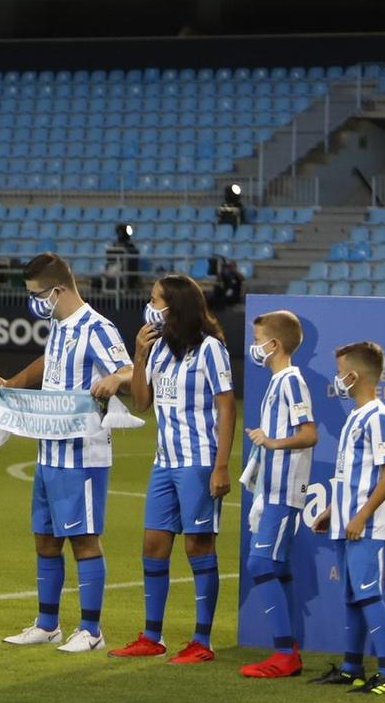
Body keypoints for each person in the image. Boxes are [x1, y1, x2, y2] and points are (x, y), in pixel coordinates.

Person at [0, 251, 130, 654]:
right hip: (49, 450)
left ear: (58, 289)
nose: (35, 301)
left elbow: (129, 370)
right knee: (46, 539)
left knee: (85, 539)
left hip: (83, 453)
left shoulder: (97, 327)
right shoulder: (59, 324)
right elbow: (47, 363)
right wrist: (13, 382)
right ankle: (47, 624)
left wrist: (115, 380)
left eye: (37, 293)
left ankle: (91, 629)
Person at [105, 274, 235, 664]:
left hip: (198, 461)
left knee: (198, 545)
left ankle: (201, 640)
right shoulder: (158, 349)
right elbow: (142, 402)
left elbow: (226, 407)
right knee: (153, 545)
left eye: (155, 300)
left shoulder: (211, 349)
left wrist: (221, 466)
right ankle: (152, 635)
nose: (150, 307)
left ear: (175, 306)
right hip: (164, 462)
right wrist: (139, 357)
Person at [308, 341, 385, 694]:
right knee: (352, 596)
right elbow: (354, 475)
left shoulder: (379, 417)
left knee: (369, 595)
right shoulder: (356, 415)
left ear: (355, 375)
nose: (337, 379)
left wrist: (361, 515)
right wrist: (334, 510)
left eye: (339, 372)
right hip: (346, 522)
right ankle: (352, 668)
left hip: (365, 525)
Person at [238, 309, 318, 680]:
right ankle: (289, 649)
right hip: (272, 488)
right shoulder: (277, 382)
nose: (254, 349)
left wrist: (271, 441)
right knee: (277, 566)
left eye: (257, 342)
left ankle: (285, 653)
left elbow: (309, 433)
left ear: (274, 344)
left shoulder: (290, 381)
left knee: (261, 564)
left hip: (286, 490)